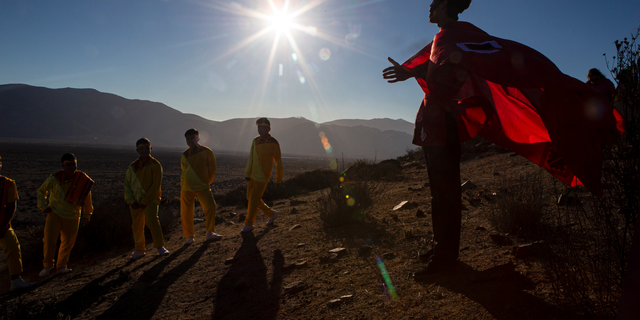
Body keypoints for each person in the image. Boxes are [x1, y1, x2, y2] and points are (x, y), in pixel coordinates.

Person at [383, 0, 622, 278]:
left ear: (447, 5)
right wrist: (412, 71)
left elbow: (459, 67)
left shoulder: (455, 36)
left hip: (444, 121)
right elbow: (438, 64)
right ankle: (441, 246)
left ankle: (445, 258)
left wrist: (427, 76)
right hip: (436, 120)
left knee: (446, 191)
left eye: (435, 3)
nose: (430, 7)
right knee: (439, 191)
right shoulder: (444, 38)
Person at [37, 153, 93, 277]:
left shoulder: (81, 179)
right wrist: (43, 206)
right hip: (55, 214)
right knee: (49, 240)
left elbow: (87, 196)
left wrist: (87, 214)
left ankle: (61, 266)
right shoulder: (55, 177)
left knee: (68, 243)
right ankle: (47, 266)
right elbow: (41, 190)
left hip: (73, 215)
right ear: (63, 166)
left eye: (74, 164)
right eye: (68, 165)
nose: (71, 167)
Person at [124, 138, 169, 259]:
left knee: (152, 219)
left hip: (151, 199)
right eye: (142, 148)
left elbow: (156, 185)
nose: (145, 151)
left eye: (147, 148)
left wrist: (145, 201)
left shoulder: (155, 165)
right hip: (135, 201)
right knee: (137, 225)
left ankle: (160, 246)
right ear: (137, 150)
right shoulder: (132, 167)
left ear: (151, 149)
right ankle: (139, 249)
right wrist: (131, 200)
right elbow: (127, 185)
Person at [240, 118, 283, 233]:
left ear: (269, 128)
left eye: (263, 127)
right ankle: (271, 213)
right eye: (258, 127)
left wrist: (278, 178)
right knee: (251, 198)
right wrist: (247, 172)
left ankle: (248, 224)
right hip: (252, 175)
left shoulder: (273, 142)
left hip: (263, 176)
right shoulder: (255, 141)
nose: (260, 129)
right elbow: (251, 157)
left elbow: (278, 161)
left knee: (253, 200)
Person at [180, 128, 221, 244]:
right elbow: (184, 170)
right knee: (186, 213)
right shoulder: (184, 155)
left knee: (210, 206)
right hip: (186, 188)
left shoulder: (207, 151)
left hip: (202, 186)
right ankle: (189, 237)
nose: (190, 141)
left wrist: (207, 181)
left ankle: (210, 232)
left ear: (198, 139)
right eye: (187, 139)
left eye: (192, 138)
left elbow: (212, 167)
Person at [0, 155, 35, 290]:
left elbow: (11, 206)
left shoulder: (8, 184)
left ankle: (16, 280)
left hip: (3, 226)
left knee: (14, 249)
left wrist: (3, 225)